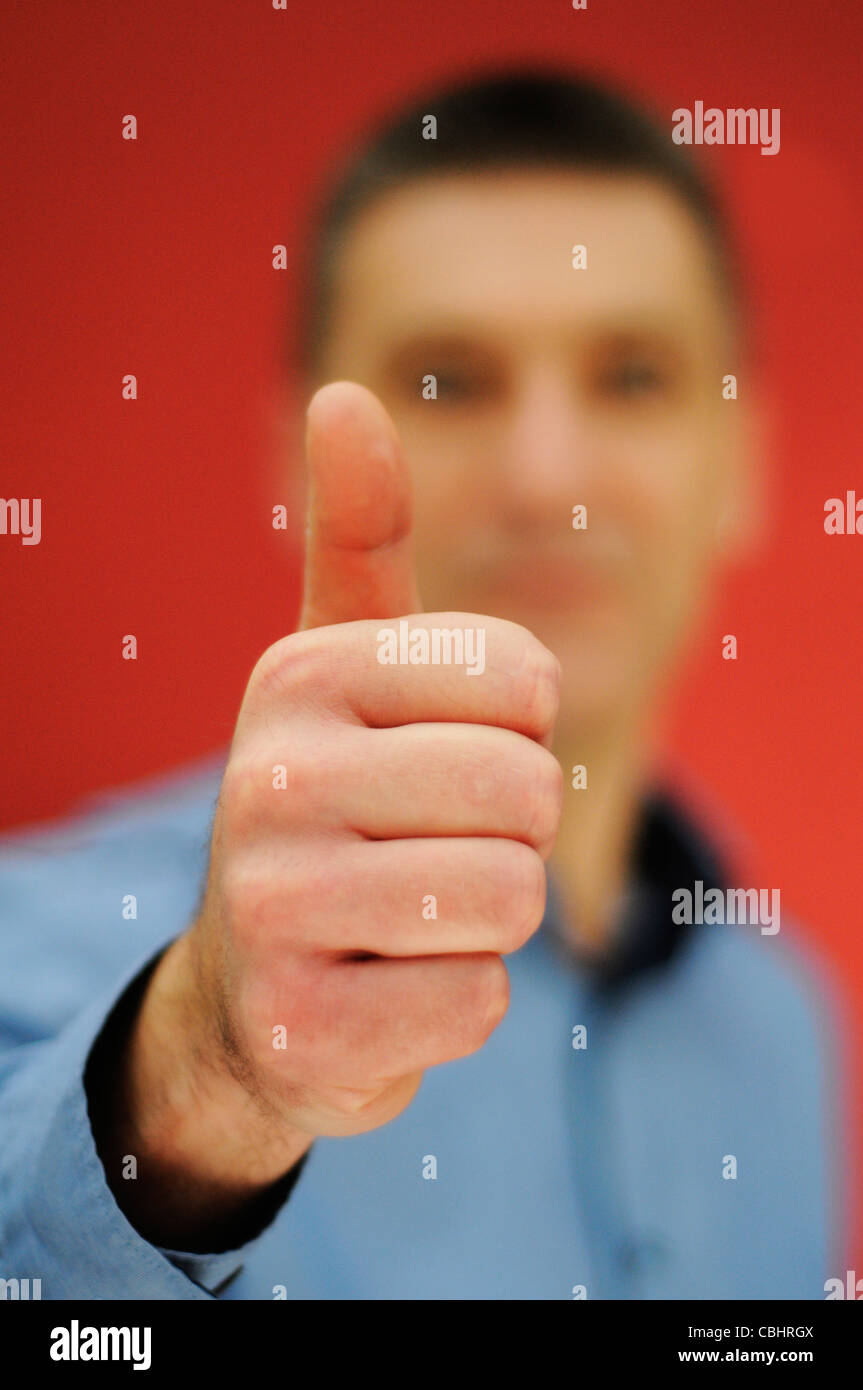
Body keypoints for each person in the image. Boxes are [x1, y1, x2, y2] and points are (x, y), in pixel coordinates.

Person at [0, 66, 844, 1300]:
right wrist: (209, 1068)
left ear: (743, 461)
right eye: (447, 378)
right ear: (294, 457)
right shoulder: (37, 949)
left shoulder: (784, 1025)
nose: (544, 471)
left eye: (633, 375)